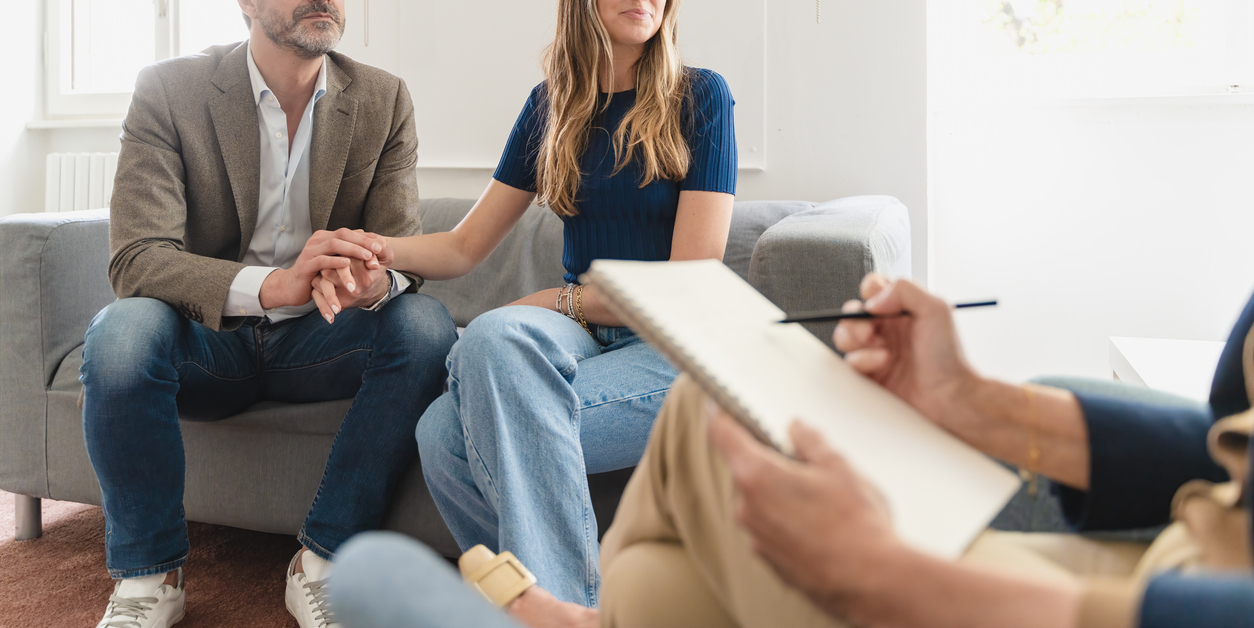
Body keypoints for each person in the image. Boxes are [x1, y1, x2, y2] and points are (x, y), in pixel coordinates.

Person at [331, 273, 1254, 627]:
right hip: (1195, 542)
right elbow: (1226, 435)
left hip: (1172, 607)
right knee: (699, 421)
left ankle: (576, 609)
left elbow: (674, 275)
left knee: (372, 576)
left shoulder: (700, 102)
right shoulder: (554, 113)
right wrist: (973, 401)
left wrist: (884, 576)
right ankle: (589, 614)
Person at [312, 0, 737, 611]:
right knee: (484, 347)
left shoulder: (701, 97)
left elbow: (687, 284)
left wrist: (557, 301)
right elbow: (462, 246)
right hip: (586, 338)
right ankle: (567, 610)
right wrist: (373, 249)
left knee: (444, 433)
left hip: (677, 348)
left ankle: (538, 608)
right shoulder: (553, 106)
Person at [80, 0, 458, 628]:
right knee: (119, 332)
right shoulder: (171, 91)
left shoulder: (382, 99)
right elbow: (137, 258)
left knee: (426, 328)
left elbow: (401, 248)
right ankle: (147, 577)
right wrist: (268, 286)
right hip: (209, 341)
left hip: (320, 339)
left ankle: (321, 561)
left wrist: (377, 279)